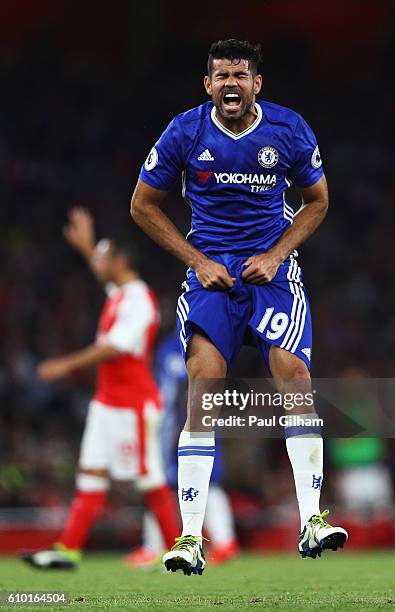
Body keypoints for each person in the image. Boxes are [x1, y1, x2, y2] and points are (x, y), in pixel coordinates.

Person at [131, 39, 348, 575]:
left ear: (257, 84)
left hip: (270, 275)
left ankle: (312, 521)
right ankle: (188, 538)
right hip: (212, 276)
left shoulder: (287, 129)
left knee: (294, 377)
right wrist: (196, 259)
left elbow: (317, 200)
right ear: (208, 86)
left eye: (241, 74)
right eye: (222, 75)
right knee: (203, 388)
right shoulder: (185, 131)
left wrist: (277, 254)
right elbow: (141, 205)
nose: (231, 83)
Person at [22, 208, 179, 569]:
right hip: (107, 403)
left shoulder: (140, 299)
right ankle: (68, 550)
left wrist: (64, 364)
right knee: (91, 473)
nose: (99, 262)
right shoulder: (120, 292)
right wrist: (88, 246)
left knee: (148, 478)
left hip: (132, 405)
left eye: (105, 256)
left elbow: (114, 348)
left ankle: (178, 550)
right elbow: (101, 269)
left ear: (121, 260)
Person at [124, 331, 239, 569]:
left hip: (179, 424)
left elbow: (169, 391)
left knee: (164, 482)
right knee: (193, 481)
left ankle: (154, 548)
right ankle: (224, 542)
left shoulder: (174, 347)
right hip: (194, 421)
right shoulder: (207, 338)